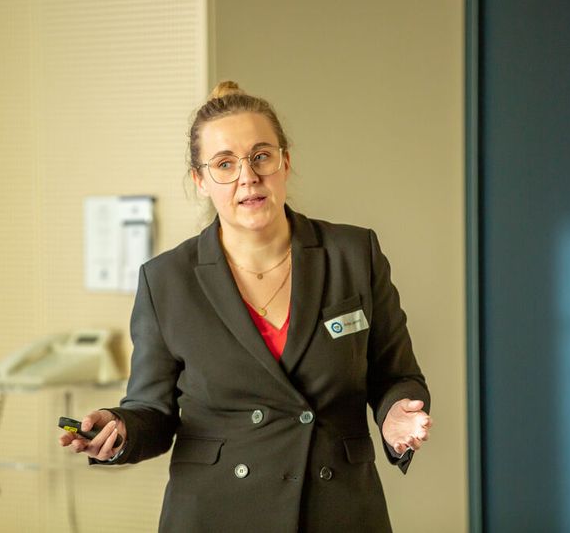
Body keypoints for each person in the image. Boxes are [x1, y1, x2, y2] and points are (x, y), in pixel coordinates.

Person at [59, 81, 432, 532]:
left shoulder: (354, 253)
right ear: (200, 181)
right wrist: (119, 430)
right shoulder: (167, 280)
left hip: (337, 507)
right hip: (218, 511)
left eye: (261, 157)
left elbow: (396, 375)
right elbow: (152, 411)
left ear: (285, 162)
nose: (247, 177)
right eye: (224, 164)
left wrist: (396, 414)